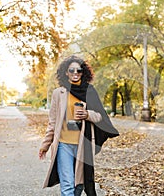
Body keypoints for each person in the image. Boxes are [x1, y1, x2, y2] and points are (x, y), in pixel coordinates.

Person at [38, 55, 119, 196]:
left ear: (83, 72)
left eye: (79, 70)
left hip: (83, 145)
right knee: (68, 185)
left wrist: (87, 114)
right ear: (66, 72)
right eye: (72, 70)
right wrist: (45, 145)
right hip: (64, 145)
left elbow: (100, 116)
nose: (75, 73)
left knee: (79, 185)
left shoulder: (90, 91)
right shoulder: (59, 93)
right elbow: (52, 122)